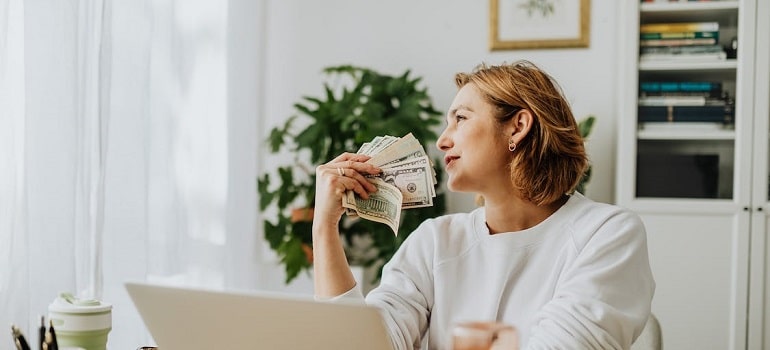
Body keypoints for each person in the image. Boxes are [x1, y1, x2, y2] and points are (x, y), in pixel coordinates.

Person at [311, 60, 655, 349]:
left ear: (517, 127)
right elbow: (359, 345)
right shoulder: (435, 241)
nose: (443, 140)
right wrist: (324, 226)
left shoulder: (607, 234)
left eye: (460, 118)